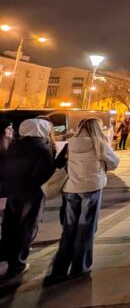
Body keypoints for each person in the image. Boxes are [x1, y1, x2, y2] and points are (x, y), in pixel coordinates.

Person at [43, 118, 119, 285]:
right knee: (86, 228)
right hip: (91, 188)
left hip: (71, 188)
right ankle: (80, 266)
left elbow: (59, 162)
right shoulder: (98, 143)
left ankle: (59, 269)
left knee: (69, 230)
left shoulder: (72, 143)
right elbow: (114, 163)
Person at [0, 119, 55, 280]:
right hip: (31, 193)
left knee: (10, 224)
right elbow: (44, 174)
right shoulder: (41, 148)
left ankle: (7, 255)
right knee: (27, 226)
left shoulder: (14, 145)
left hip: (13, 191)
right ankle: (18, 263)